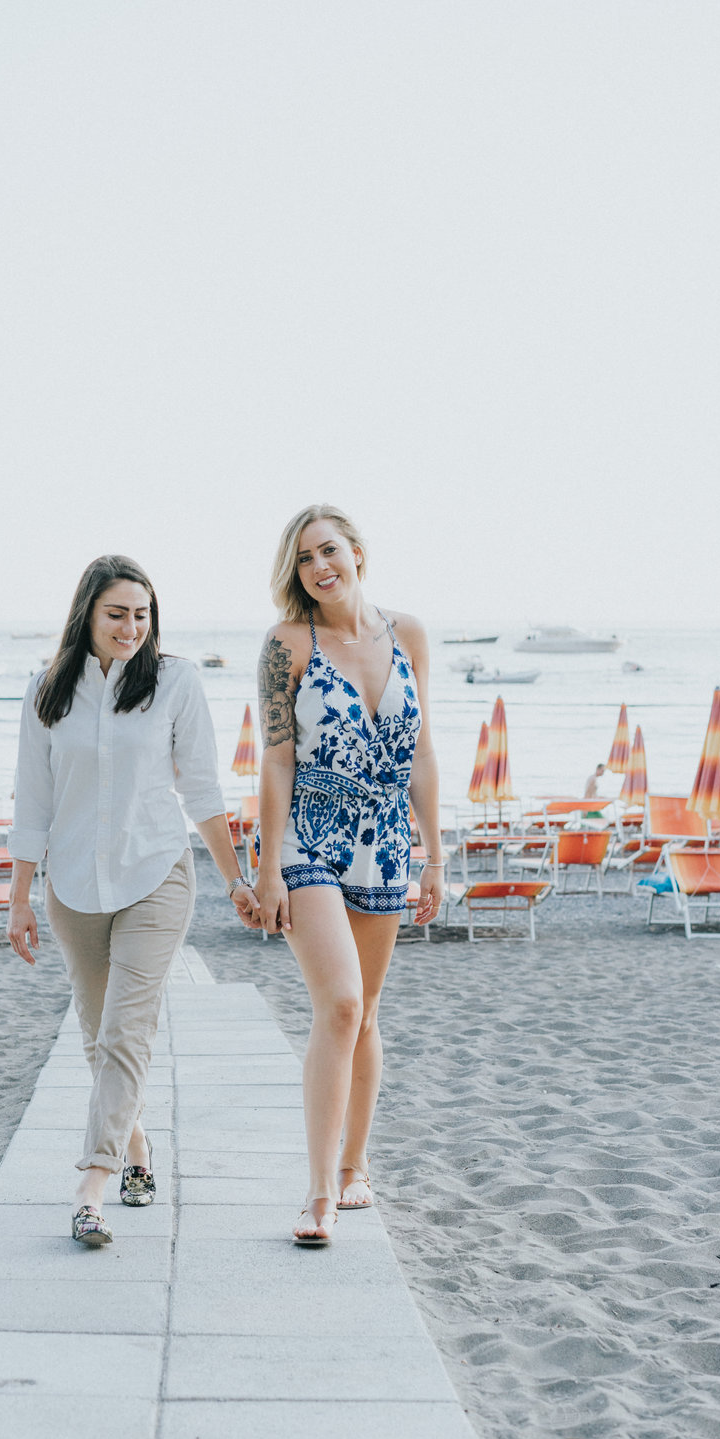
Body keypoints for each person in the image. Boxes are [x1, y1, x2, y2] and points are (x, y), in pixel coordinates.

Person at [6, 555, 259, 1247]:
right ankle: (137, 1144)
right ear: (87, 613)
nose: (130, 627)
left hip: (156, 875)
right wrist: (19, 897)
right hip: (73, 888)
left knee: (126, 1030)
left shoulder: (176, 681)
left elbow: (201, 790)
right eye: (116, 613)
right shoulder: (46, 691)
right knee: (97, 1035)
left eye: (142, 614)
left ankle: (91, 1185)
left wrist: (236, 879)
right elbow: (32, 802)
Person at [254, 505, 442, 1245]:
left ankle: (357, 1164)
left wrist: (435, 855)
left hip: (387, 841)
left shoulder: (409, 634)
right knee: (338, 1004)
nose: (318, 567)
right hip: (310, 837)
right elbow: (276, 761)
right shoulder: (286, 644)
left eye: (328, 550)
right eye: (303, 559)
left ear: (358, 551)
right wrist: (268, 867)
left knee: (366, 1013)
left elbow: (421, 751)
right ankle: (318, 1191)